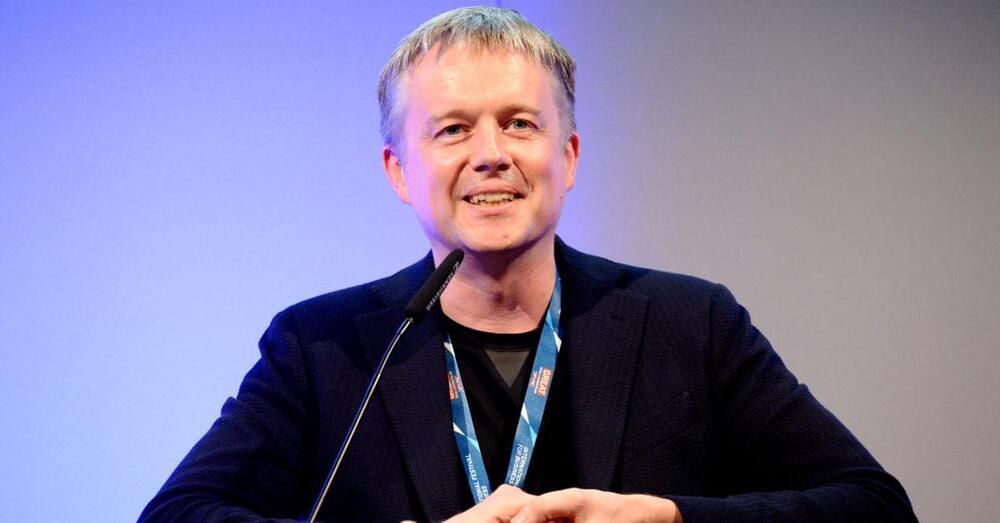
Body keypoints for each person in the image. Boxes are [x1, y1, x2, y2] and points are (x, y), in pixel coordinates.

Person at [142, 7, 916, 522]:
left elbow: (874, 505)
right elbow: (176, 515)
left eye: (519, 122)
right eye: (452, 129)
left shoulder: (691, 324)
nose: (490, 154)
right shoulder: (325, 347)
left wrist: (670, 517)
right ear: (399, 170)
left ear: (568, 155)